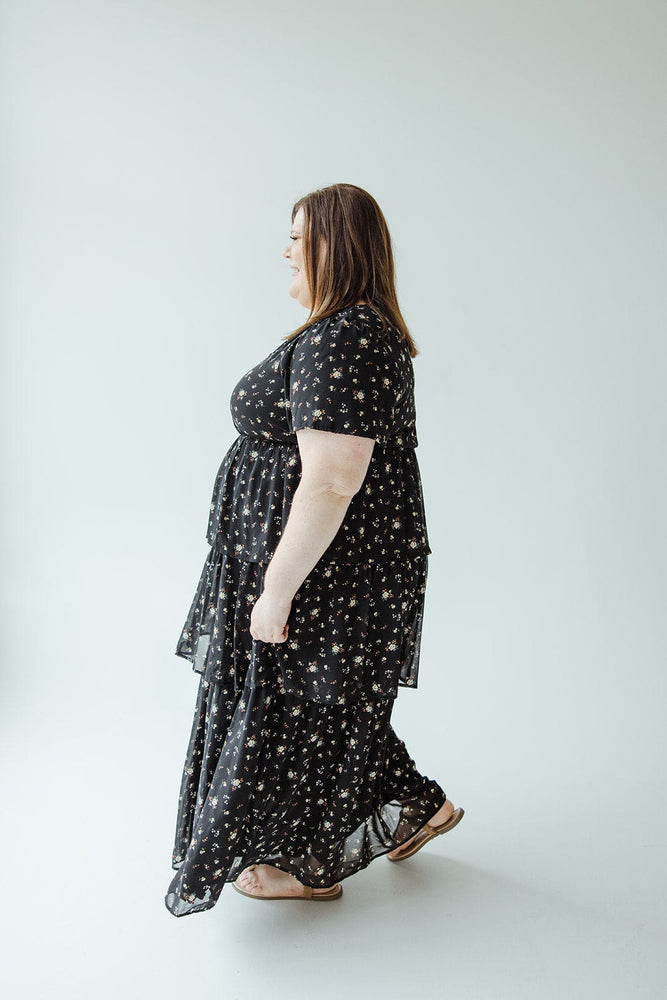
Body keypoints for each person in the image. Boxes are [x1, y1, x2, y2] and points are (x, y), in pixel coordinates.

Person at [164, 182, 464, 917]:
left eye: (298, 239)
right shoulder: (338, 331)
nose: (286, 251)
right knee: (316, 701)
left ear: (336, 245)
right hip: (315, 567)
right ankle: (416, 806)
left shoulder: (349, 336)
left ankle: (303, 861)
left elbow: (331, 482)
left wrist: (276, 590)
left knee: (297, 707)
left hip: (327, 572)